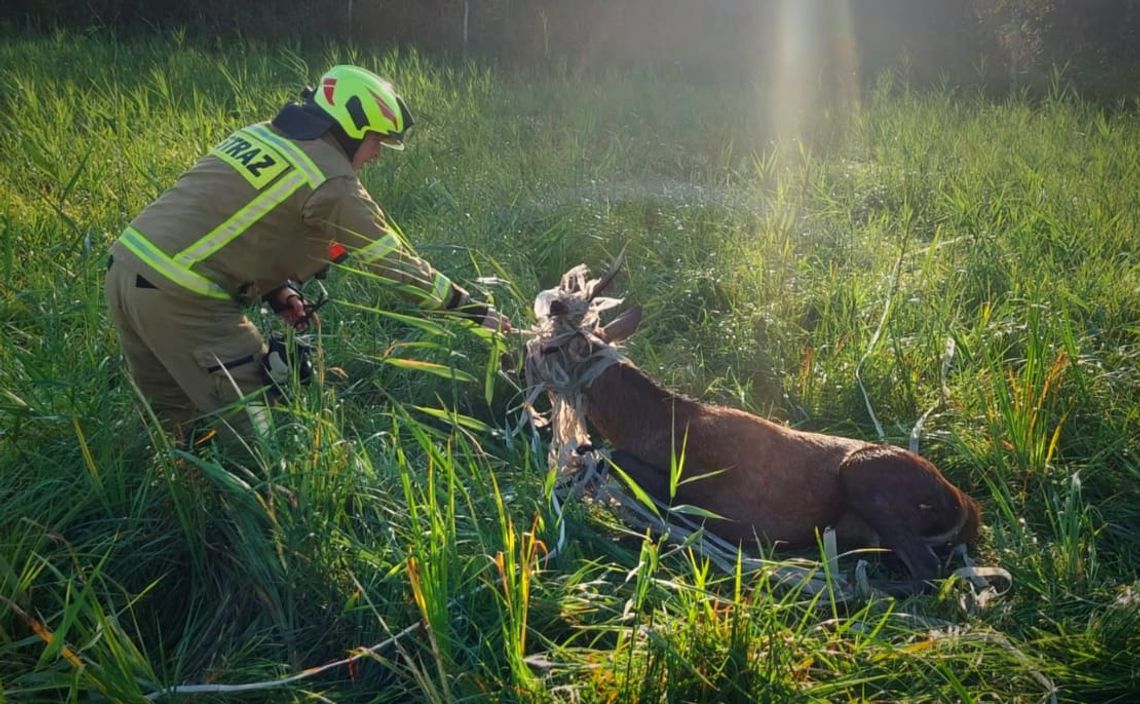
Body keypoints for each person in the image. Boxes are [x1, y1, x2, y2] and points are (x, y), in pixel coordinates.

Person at [105, 64, 510, 446]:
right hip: (185, 300)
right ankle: (274, 514)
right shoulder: (330, 179)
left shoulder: (259, 135)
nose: (377, 154)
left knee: (173, 419)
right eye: (377, 140)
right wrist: (471, 310)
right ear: (352, 127)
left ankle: (177, 500)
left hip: (126, 271)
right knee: (261, 432)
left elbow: (235, 224)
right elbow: (393, 265)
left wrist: (276, 291)